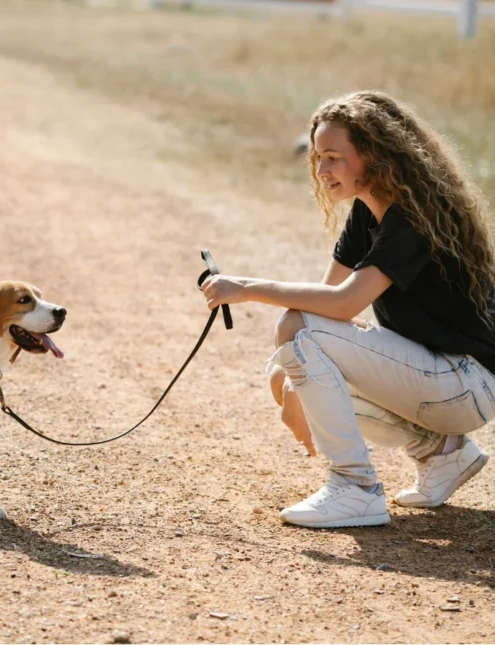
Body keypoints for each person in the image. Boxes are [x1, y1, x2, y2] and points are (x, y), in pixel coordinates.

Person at [201, 90, 494, 528]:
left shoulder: (413, 217)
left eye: (333, 157)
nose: (321, 170)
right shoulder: (366, 213)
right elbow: (325, 305)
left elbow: (342, 305)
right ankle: (442, 453)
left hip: (468, 382)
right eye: (318, 157)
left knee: (296, 330)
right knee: (289, 363)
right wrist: (290, 384)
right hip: (441, 379)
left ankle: (354, 488)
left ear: (375, 156)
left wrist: (244, 287)